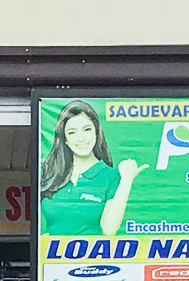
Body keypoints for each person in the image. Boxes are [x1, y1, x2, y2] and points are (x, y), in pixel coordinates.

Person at [38, 100, 145, 238]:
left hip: (91, 258)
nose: (81, 138)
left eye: (87, 129)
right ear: (64, 139)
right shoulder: (49, 173)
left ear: (96, 132)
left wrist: (127, 180)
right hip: (50, 258)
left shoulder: (111, 177)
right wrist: (40, 244)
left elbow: (109, 230)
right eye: (72, 132)